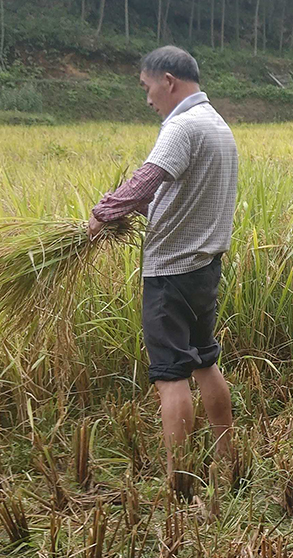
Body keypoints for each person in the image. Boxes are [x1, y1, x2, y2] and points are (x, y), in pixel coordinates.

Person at [88, 45, 238, 485]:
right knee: (204, 360)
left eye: (147, 86)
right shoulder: (216, 123)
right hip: (205, 267)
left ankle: (181, 482)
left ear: (167, 81)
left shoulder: (182, 126)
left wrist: (101, 216)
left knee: (170, 376)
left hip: (171, 271)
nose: (147, 98)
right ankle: (227, 461)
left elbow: (144, 183)